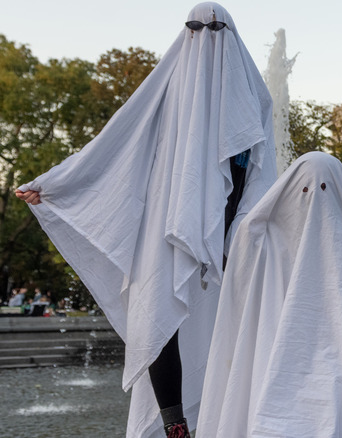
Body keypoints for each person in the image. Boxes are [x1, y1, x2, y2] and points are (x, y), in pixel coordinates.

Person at [15, 3, 276, 437]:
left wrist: (251, 227)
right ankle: (174, 423)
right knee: (157, 310)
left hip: (233, 230)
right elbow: (115, 143)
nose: (204, 37)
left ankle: (225, 414)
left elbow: (265, 171)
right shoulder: (165, 89)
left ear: (230, 34)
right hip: (165, 223)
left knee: (225, 319)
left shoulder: (255, 96)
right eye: (195, 29)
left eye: (213, 29)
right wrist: (55, 185)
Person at [197, 152, 342, 438]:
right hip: (275, 387)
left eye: (326, 190)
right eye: (306, 191)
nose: (316, 205)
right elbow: (237, 323)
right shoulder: (263, 246)